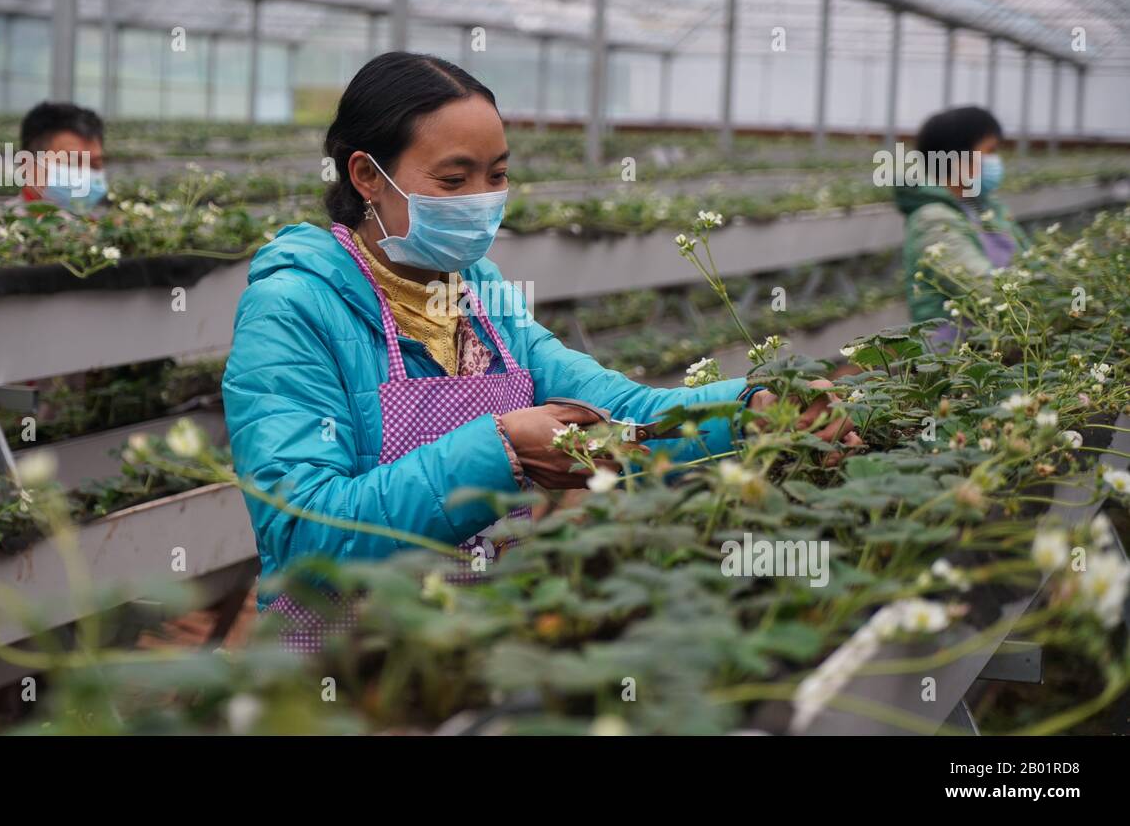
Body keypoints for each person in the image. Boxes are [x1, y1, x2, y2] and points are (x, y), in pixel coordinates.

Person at [223, 52, 859, 637]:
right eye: (453, 179)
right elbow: (303, 532)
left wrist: (752, 410)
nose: (482, 201)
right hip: (342, 664)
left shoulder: (481, 296)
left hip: (473, 644)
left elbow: (617, 413)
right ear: (367, 174)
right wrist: (499, 453)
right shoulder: (295, 306)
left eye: (497, 175)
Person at [897, 106, 1027, 334]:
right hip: (954, 357)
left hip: (1002, 337)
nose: (995, 161)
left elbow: (1031, 260)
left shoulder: (986, 207)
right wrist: (1047, 292)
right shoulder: (932, 220)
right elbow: (985, 290)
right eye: (989, 151)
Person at [13, 101, 108, 212]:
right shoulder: (9, 226)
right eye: (72, 163)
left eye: (95, 164)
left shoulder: (101, 224)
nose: (86, 175)